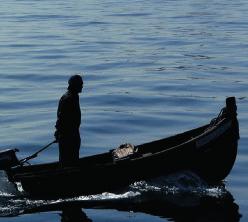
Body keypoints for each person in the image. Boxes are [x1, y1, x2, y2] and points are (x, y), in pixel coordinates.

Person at [54, 74, 83, 166]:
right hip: (68, 136)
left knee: (72, 160)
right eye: (80, 84)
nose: (82, 85)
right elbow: (61, 118)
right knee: (68, 161)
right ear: (74, 85)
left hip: (73, 134)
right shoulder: (68, 98)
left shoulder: (74, 96)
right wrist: (59, 132)